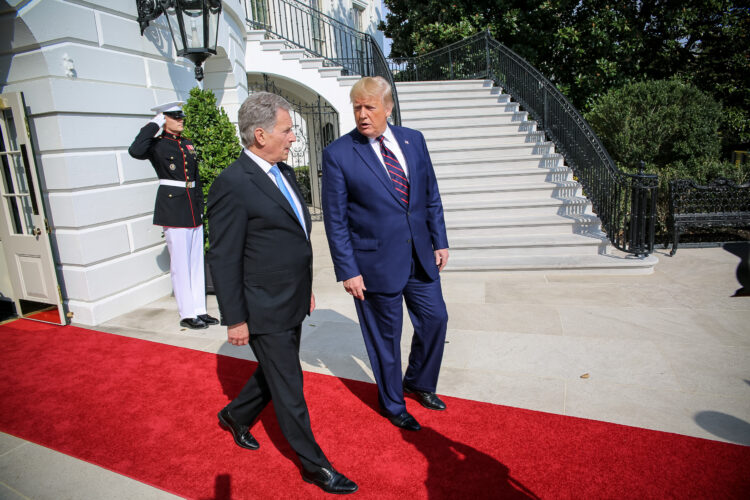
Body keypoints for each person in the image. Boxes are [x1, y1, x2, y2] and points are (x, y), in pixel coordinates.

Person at [207, 92, 357, 495]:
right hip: (261, 306)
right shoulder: (232, 184)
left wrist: (305, 289)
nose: (293, 137)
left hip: (291, 298)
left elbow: (295, 240)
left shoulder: (284, 172)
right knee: (290, 385)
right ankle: (315, 467)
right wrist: (236, 318)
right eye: (287, 130)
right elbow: (223, 258)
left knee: (276, 371)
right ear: (260, 134)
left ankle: (235, 415)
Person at [322, 76, 450, 432]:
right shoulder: (339, 154)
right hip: (374, 263)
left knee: (436, 319)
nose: (363, 115)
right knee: (385, 339)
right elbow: (335, 220)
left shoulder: (413, 140)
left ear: (388, 108)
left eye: (370, 107)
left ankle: (419, 382)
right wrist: (348, 269)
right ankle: (393, 404)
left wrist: (439, 240)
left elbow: (430, 195)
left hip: (420, 257)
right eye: (357, 108)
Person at [128, 101, 218, 330]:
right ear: (164, 119)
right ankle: (187, 313)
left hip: (191, 207)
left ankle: (199, 310)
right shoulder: (157, 145)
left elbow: (195, 178)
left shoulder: (186, 144)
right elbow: (135, 150)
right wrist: (154, 124)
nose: (181, 120)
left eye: (181, 116)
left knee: (196, 263)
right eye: (175, 117)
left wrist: (199, 207)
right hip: (173, 207)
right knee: (180, 264)